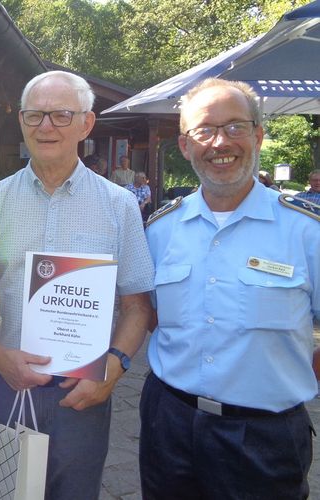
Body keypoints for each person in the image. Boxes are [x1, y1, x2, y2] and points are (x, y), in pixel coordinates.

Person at [140, 78, 320, 499]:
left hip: (265, 437)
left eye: (235, 127)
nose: (220, 142)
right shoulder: (160, 230)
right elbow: (149, 317)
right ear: (186, 146)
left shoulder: (306, 232)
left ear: (258, 134)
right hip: (169, 425)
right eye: (204, 130)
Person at [0, 70, 154, 500]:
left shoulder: (119, 206)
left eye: (62, 115)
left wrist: (113, 369)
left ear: (86, 124)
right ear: (21, 121)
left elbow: (138, 307)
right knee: (4, 492)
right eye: (35, 115)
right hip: (6, 384)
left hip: (82, 392)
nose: (46, 127)